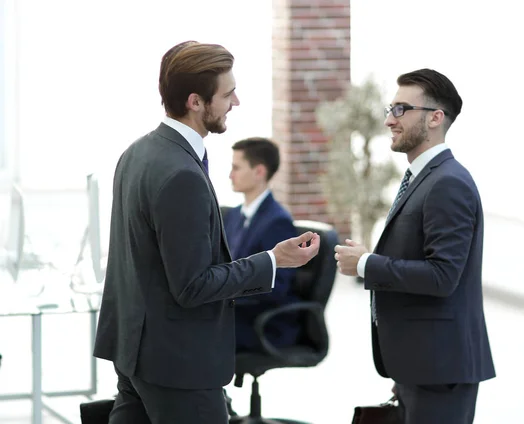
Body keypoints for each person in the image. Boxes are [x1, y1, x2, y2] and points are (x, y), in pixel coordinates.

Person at [92, 41, 320, 424]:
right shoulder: (181, 173)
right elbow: (192, 285)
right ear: (196, 102)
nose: (236, 102)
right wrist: (273, 260)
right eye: (228, 94)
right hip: (178, 365)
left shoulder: (137, 153)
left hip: (135, 352)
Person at [334, 68, 495, 424]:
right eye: (390, 109)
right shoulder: (423, 177)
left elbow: (442, 276)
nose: (390, 120)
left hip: (440, 369)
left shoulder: (448, 183)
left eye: (401, 109)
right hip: (420, 364)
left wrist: (365, 264)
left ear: (435, 118)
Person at [224, 137, 300, 352]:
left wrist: (223, 297)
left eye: (236, 168)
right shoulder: (233, 215)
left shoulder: (277, 222)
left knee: (193, 331)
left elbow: (276, 287)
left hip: (262, 324)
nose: (230, 175)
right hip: (236, 313)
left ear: (259, 172)